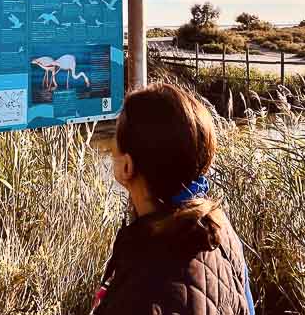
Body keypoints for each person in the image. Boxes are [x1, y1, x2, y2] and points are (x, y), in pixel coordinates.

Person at [92, 83, 255, 315]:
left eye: (115, 140)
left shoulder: (144, 293)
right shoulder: (216, 225)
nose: (111, 149)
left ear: (127, 166)